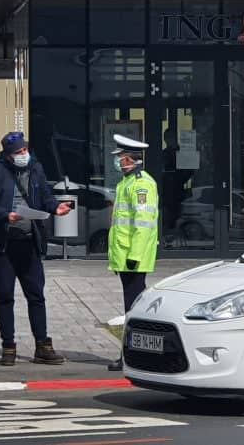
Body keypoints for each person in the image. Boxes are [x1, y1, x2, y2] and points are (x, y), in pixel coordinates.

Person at [0, 131, 73, 366]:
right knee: (5, 295)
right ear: (8, 155)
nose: (23, 154)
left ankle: (43, 345)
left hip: (29, 241)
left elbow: (45, 197)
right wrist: (4, 215)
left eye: (25, 150)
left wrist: (55, 208)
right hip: (2, 244)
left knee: (36, 295)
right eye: (18, 152)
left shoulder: (36, 168)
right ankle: (8, 346)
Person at [106, 134, 159, 372]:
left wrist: (135, 255)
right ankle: (130, 354)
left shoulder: (141, 184)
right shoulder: (126, 183)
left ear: (131, 159)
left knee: (134, 308)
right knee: (131, 306)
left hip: (133, 258)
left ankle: (131, 355)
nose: (118, 162)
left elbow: (143, 222)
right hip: (125, 256)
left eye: (121, 158)